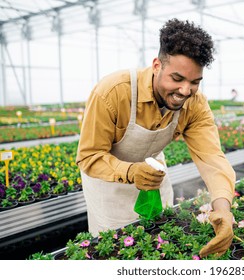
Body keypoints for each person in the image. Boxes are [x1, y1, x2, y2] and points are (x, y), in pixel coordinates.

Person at [76, 18, 235, 258]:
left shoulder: (195, 104)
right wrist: (131, 172)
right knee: (117, 252)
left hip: (154, 179)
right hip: (109, 188)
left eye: (195, 82)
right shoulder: (113, 92)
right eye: (177, 79)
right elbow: (89, 156)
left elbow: (212, 157)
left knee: (159, 244)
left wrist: (223, 207)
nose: (185, 91)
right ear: (156, 65)